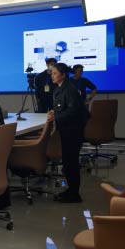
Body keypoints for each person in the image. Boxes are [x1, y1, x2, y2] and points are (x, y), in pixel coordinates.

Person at [48, 63, 87, 203]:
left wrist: (56, 116)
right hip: (66, 130)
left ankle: (74, 194)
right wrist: (55, 112)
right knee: (68, 162)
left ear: (63, 75)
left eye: (55, 73)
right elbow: (63, 107)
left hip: (73, 131)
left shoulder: (69, 89)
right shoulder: (60, 88)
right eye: (52, 73)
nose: (52, 76)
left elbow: (73, 111)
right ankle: (71, 190)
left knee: (71, 163)